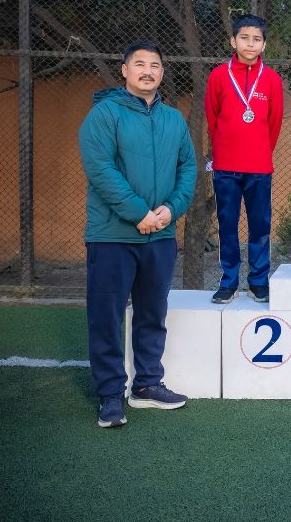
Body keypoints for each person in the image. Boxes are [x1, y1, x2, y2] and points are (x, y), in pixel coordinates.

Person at [78, 40, 197, 428]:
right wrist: (139, 214)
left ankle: (147, 385)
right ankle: (110, 395)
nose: (148, 71)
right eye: (140, 64)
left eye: (155, 65)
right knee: (106, 317)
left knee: (152, 313)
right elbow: (100, 169)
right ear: (125, 70)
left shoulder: (174, 119)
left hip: (160, 236)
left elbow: (188, 169)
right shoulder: (104, 114)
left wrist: (171, 209)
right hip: (112, 236)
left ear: (162, 72)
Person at [205, 14, 284, 304]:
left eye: (256, 39)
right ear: (233, 41)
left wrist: (260, 151)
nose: (250, 44)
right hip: (226, 166)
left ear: (264, 44)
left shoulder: (272, 79)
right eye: (244, 38)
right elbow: (212, 117)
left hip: (259, 166)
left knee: (260, 225)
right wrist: (225, 149)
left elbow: (274, 123)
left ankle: (259, 282)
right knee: (227, 224)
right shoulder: (218, 76)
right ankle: (228, 281)